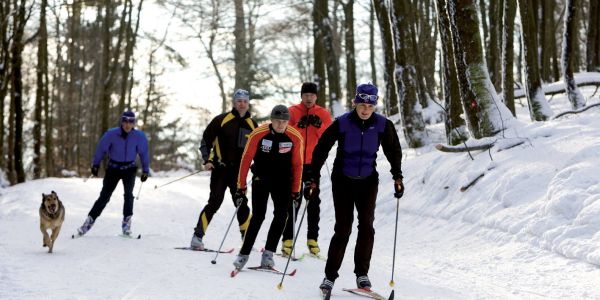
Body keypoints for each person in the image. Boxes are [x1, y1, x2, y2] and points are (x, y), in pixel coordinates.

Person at [308, 83, 404, 292]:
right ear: (355, 103)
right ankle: (329, 276)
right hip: (342, 180)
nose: (365, 110)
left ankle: (362, 274)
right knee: (343, 228)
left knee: (367, 226)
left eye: (370, 107)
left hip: (368, 180)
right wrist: (311, 176)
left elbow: (393, 150)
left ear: (375, 106)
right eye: (362, 105)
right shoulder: (342, 123)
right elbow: (322, 148)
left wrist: (397, 176)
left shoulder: (382, 125)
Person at [232, 105, 304, 270]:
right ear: (271, 120)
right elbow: (246, 159)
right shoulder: (259, 133)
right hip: (261, 179)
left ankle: (268, 255)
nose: (280, 125)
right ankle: (243, 255)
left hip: (284, 181)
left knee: (281, 216)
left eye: (284, 121)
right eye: (277, 121)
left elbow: (298, 164)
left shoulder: (294, 136)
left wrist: (296, 189)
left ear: (288, 122)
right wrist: (241, 186)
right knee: (258, 216)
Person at [190, 89, 258, 249]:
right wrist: (207, 160)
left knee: (242, 204)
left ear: (248, 104)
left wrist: (257, 167)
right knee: (214, 202)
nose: (242, 104)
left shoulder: (252, 125)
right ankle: (197, 237)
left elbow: (256, 150)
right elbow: (206, 140)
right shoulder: (221, 120)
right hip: (220, 170)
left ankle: (247, 240)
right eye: (239, 101)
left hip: (239, 173)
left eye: (245, 101)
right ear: (234, 102)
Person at [76, 111, 150, 236]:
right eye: (125, 121)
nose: (127, 124)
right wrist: (96, 164)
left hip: (129, 169)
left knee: (128, 195)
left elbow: (144, 153)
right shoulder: (111, 134)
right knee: (104, 197)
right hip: (113, 168)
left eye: (131, 122)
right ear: (122, 122)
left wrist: (145, 170)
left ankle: (126, 224)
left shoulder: (139, 136)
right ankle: (88, 222)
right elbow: (101, 148)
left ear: (134, 123)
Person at [281, 82, 332, 257]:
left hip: (313, 163)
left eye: (312, 95)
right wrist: (298, 126)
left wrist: (319, 126)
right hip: (294, 162)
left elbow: (328, 138)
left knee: (313, 200)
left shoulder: (323, 113)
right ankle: (287, 239)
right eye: (306, 95)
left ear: (316, 97)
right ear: (301, 96)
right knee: (293, 199)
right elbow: (284, 134)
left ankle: (312, 240)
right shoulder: (292, 111)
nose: (309, 98)